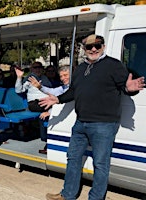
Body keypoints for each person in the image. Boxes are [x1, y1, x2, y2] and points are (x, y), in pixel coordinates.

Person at [41, 34, 145, 200]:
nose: (94, 49)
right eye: (89, 47)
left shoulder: (114, 65)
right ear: (84, 49)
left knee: (100, 164)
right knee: (73, 158)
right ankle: (67, 194)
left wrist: (131, 88)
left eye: (98, 45)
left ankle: (96, 198)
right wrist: (58, 99)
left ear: (103, 47)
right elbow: (74, 91)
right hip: (80, 123)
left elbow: (125, 86)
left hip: (104, 125)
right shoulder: (81, 68)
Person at [28, 66, 70, 154]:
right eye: (61, 76)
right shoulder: (64, 87)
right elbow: (53, 91)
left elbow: (66, 103)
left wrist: (49, 112)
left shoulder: (74, 87)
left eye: (65, 75)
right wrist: (39, 87)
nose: (63, 78)